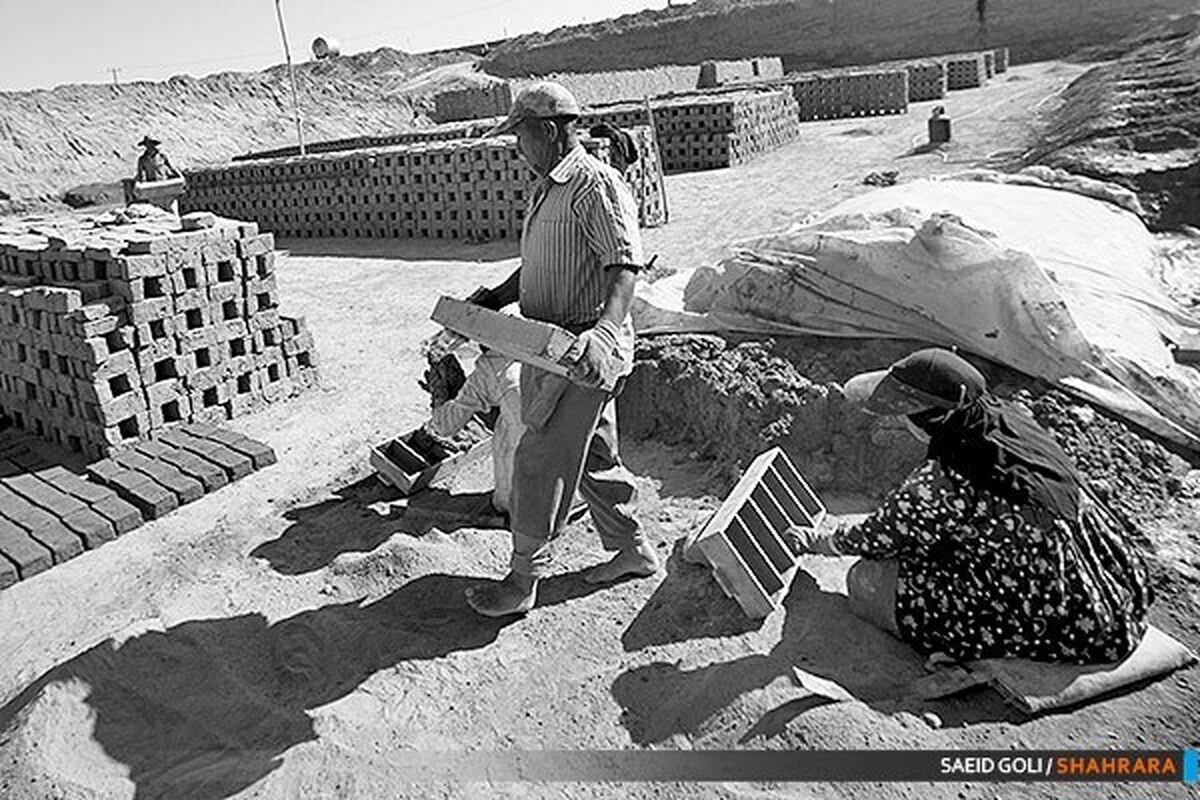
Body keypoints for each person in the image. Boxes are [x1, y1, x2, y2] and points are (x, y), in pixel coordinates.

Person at [790, 348, 1153, 664]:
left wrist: (819, 542)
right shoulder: (1008, 421)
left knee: (865, 581)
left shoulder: (943, 481)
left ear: (926, 419)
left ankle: (972, 643)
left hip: (1066, 617)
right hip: (1111, 588)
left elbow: (878, 537)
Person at [461, 81, 660, 617]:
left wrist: (601, 333)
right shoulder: (547, 187)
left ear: (548, 131)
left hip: (578, 351)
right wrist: (497, 296)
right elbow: (543, 262)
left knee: (538, 458)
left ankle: (522, 581)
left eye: (520, 135)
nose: (516, 146)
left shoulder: (594, 185)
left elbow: (623, 266)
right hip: (546, 346)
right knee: (593, 458)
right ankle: (632, 550)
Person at [423, 346, 523, 518]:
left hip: (529, 500)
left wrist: (439, 395)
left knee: (506, 434)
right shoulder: (537, 350)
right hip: (572, 479)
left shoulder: (490, 368)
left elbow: (444, 425)